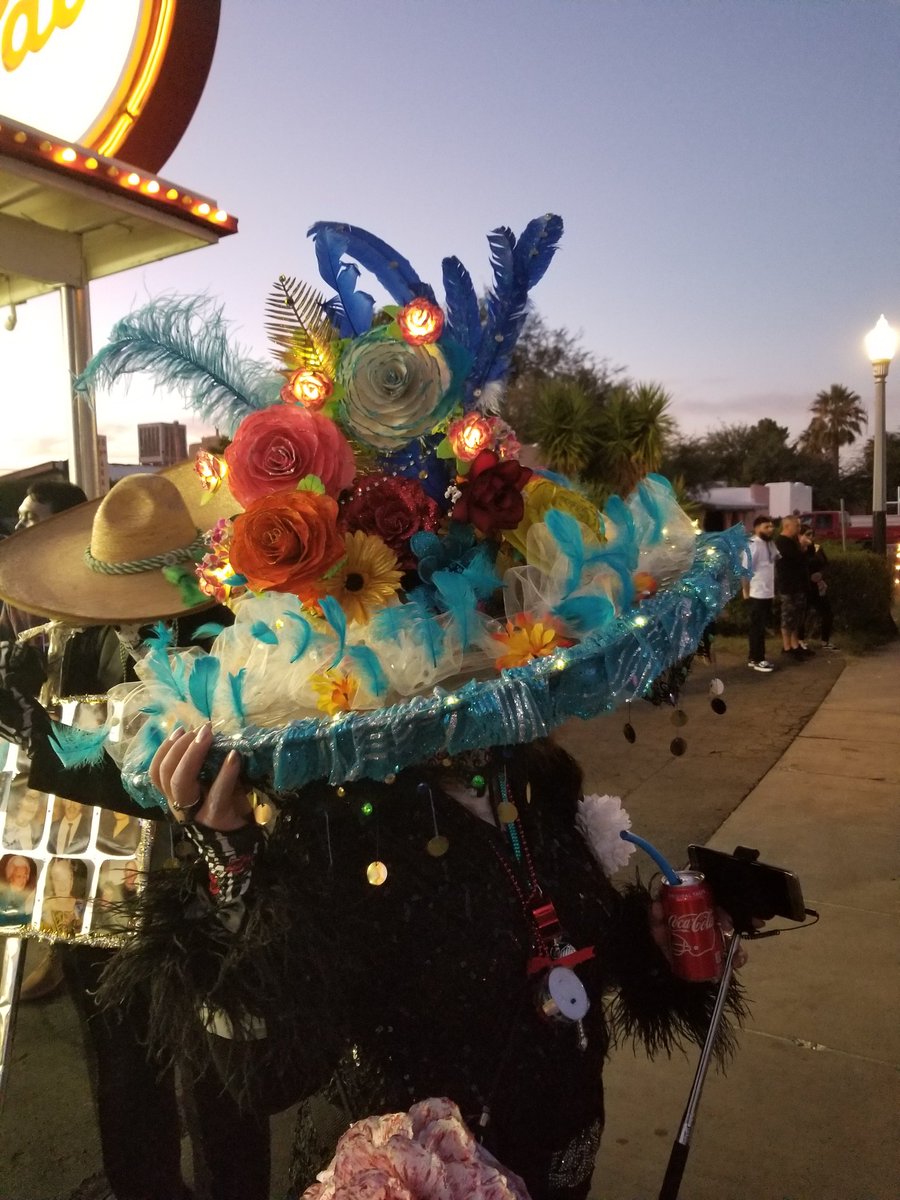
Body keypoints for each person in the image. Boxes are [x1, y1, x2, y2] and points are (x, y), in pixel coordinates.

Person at [65, 214, 751, 1200]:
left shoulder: (534, 770)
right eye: (442, 624)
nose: (470, 656)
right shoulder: (333, 815)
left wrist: (680, 934)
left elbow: (568, 959)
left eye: (488, 609)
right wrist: (230, 868)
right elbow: (264, 1070)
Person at [0, 470, 253, 1200]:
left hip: (212, 896)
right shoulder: (56, 644)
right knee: (122, 1068)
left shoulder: (234, 636)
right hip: (92, 899)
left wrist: (42, 736)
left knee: (221, 1074)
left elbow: (227, 775)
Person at [774, 515, 813, 662]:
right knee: (788, 616)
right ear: (787, 526)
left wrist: (805, 546)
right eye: (796, 526)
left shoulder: (794, 541)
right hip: (788, 585)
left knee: (798, 616)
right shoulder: (782, 542)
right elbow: (796, 558)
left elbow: (808, 558)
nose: (799, 528)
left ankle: (795, 644)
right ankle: (787, 646)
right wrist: (802, 547)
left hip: (800, 584)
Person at [743, 514, 777, 672]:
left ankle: (753, 657)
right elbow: (745, 571)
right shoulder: (753, 545)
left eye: (771, 526)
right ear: (756, 528)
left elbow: (773, 563)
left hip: (768, 592)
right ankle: (758, 659)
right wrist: (746, 591)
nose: (770, 529)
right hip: (757, 593)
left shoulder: (769, 544)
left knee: (759, 626)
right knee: (757, 627)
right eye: (766, 527)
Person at [798, 525, 837, 651]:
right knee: (802, 614)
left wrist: (821, 574)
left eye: (812, 534)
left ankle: (825, 640)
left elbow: (826, 565)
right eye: (807, 534)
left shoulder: (817, 548)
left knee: (827, 612)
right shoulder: (798, 550)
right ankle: (800, 640)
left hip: (817, 586)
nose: (810, 537)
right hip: (804, 586)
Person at [39, 855, 88, 935]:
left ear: (72, 880)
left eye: (66, 879)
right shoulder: (42, 905)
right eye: (58, 879)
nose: (62, 885)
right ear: (52, 882)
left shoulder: (81, 907)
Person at [0, 852, 37, 924]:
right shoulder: (3, 895)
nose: (23, 880)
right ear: (11, 876)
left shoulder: (31, 894)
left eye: (25, 876)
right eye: (18, 876)